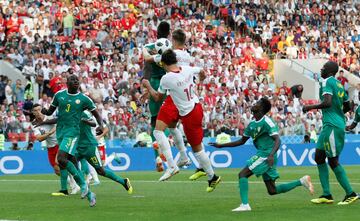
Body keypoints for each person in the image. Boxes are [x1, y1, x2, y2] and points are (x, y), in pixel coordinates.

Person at [210, 98, 314, 212]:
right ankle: (301, 181)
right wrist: (221, 145)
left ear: (262, 108)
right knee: (272, 190)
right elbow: (241, 141)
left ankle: (245, 205)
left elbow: (278, 140)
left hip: (267, 154)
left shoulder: (267, 122)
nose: (255, 104)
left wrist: (271, 155)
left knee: (242, 174)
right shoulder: (252, 125)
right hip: (266, 154)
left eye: (258, 103)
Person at [142, 49, 221, 192]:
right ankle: (181, 162)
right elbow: (201, 71)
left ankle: (212, 177)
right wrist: (200, 80)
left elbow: (158, 98)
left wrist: (148, 86)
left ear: (164, 63)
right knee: (163, 129)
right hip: (195, 106)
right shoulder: (186, 69)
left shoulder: (167, 78)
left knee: (197, 150)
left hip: (189, 114)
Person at [41, 75, 103, 207]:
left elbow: (96, 114)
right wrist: (44, 112)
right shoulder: (59, 95)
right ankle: (89, 193)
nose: (76, 81)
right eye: (73, 80)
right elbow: (50, 112)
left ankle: (82, 186)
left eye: (77, 80)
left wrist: (101, 125)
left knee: (62, 160)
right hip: (61, 132)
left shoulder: (84, 99)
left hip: (73, 133)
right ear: (67, 83)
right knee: (71, 163)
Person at [303, 61, 358, 205]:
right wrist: (337, 113)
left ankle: (350, 193)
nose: (321, 70)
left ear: (328, 71)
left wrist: (310, 107)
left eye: (322, 68)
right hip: (331, 124)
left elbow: (327, 102)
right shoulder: (339, 84)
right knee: (319, 157)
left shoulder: (327, 81)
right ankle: (327, 194)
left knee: (333, 161)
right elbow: (347, 105)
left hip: (332, 126)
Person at [143, 29, 194, 181]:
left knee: (158, 132)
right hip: (185, 94)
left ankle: (171, 166)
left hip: (173, 95)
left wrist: (145, 48)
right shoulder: (186, 55)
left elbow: (147, 58)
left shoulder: (167, 56)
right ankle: (184, 156)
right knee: (172, 126)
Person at [77, 110, 133, 194]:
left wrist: (99, 136)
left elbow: (103, 127)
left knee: (100, 170)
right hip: (78, 146)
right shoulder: (74, 113)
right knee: (68, 162)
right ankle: (83, 185)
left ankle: (123, 181)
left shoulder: (90, 116)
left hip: (90, 146)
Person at [32, 103, 79, 195]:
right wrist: (49, 133)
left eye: (39, 109)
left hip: (60, 143)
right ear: (33, 113)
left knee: (59, 163)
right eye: (36, 111)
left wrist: (48, 133)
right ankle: (74, 184)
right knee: (57, 170)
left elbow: (59, 123)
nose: (38, 112)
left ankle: (76, 184)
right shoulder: (34, 124)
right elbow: (39, 138)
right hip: (50, 147)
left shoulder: (49, 117)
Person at [142, 21, 171, 172]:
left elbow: (146, 68)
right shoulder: (170, 48)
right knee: (166, 121)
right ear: (168, 33)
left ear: (156, 33)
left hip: (152, 82)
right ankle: (165, 152)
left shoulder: (148, 47)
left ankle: (157, 157)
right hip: (167, 84)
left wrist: (146, 88)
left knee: (154, 122)